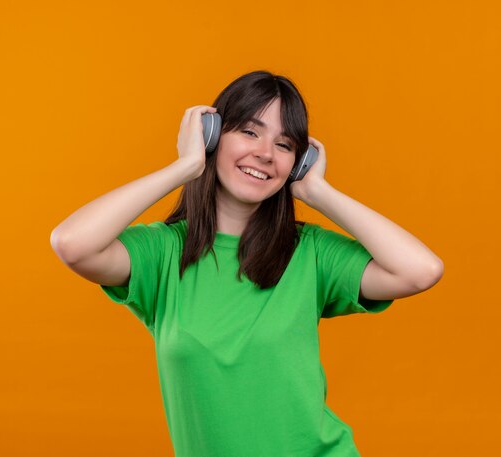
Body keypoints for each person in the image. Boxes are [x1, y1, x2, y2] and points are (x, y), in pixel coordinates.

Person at [50, 70, 444, 456]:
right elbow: (73, 243)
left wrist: (319, 193)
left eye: (285, 145)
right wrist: (184, 167)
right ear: (212, 137)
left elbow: (419, 270)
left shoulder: (310, 253)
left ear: (298, 162)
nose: (265, 154)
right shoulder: (164, 253)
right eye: (250, 132)